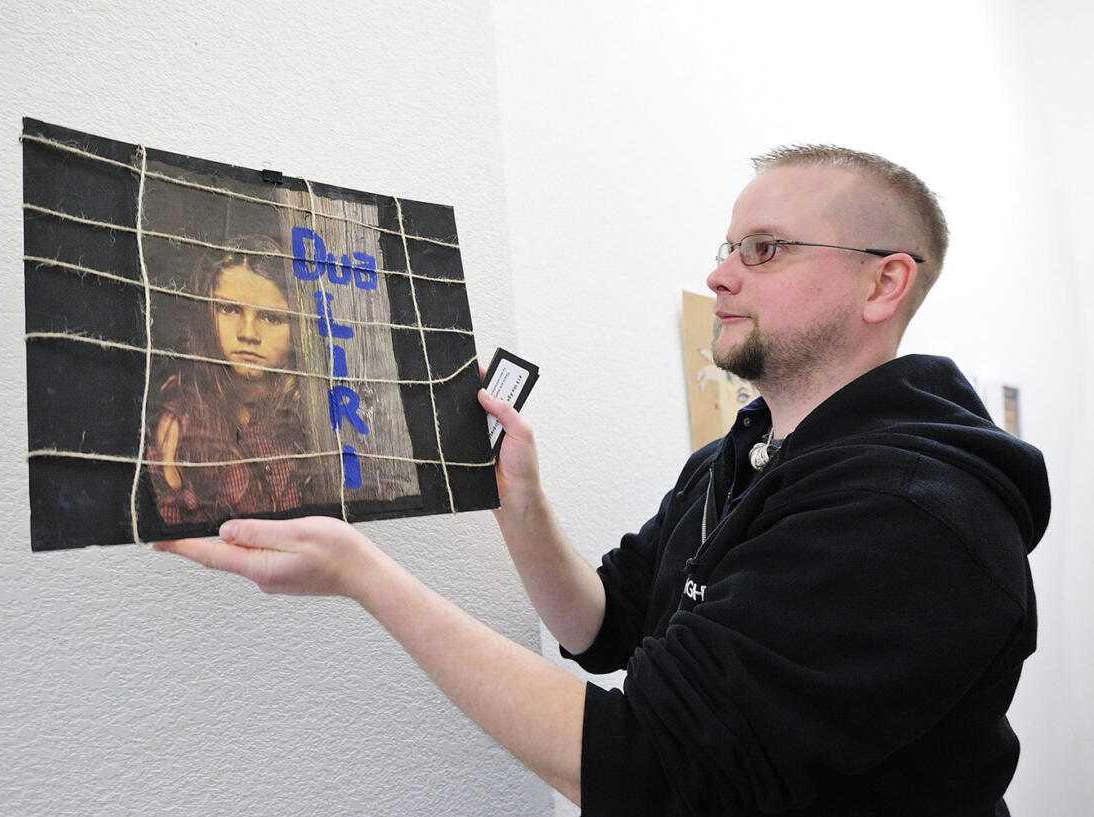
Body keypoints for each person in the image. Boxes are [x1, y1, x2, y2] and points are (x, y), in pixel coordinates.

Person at [152, 146, 1049, 815]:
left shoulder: (913, 511)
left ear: (884, 282)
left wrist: (364, 574)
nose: (720, 272)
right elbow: (604, 624)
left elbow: (649, 766)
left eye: (766, 249)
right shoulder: (735, 459)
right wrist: (521, 504)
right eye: (729, 244)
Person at [147, 235, 310, 527]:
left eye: (271, 318)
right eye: (230, 310)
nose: (248, 333)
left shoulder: (311, 420)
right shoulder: (182, 426)